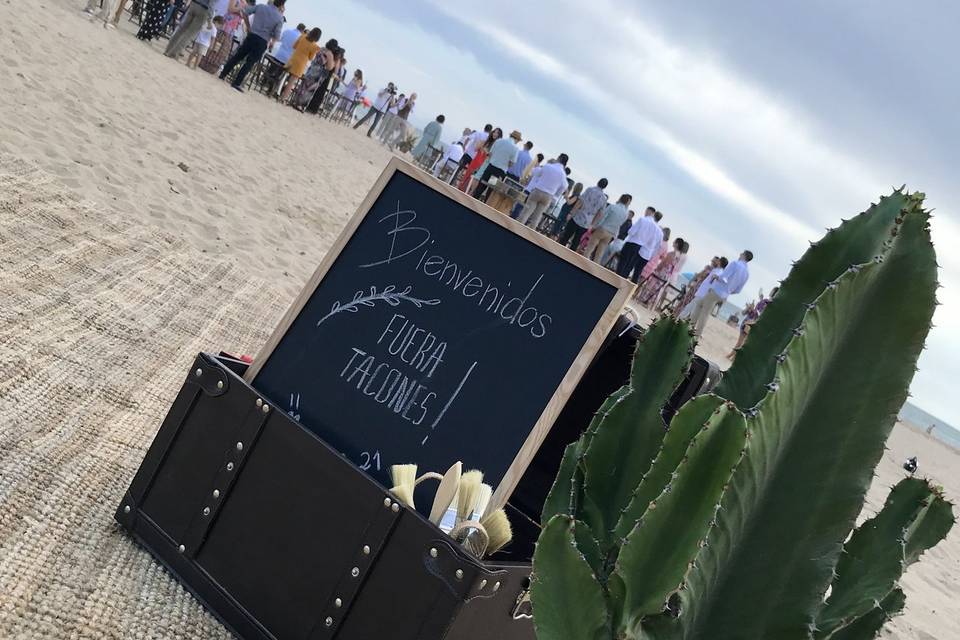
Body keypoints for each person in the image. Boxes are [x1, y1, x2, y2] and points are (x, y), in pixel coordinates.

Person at [218, 0, 285, 92]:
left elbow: (245, 12)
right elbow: (277, 36)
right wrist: (272, 42)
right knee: (249, 63)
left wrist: (248, 26)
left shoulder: (261, 6)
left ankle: (223, 74)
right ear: (282, 4)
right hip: (262, 40)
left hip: (252, 34)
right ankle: (236, 82)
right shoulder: (279, 18)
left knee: (238, 56)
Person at [685, 250, 753, 337]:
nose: (740, 254)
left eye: (741, 253)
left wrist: (716, 277)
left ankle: (694, 334)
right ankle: (690, 328)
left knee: (704, 312)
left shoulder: (735, 263)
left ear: (744, 255)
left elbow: (724, 277)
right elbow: (738, 290)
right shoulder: (747, 273)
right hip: (724, 295)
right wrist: (728, 290)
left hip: (717, 290)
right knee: (700, 305)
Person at [517, 154, 569, 229]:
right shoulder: (563, 174)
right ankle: (529, 235)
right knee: (536, 218)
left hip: (538, 190)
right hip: (549, 195)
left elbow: (537, 173)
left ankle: (516, 229)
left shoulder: (548, 166)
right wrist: (556, 194)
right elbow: (564, 186)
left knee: (526, 212)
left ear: (558, 158)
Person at [728, 286, 777, 359]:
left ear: (772, 293)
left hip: (750, 321)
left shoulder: (765, 301)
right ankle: (733, 357)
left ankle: (731, 356)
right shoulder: (771, 305)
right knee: (743, 342)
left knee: (740, 342)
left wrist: (752, 309)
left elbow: (758, 313)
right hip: (755, 324)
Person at [637, 238, 689, 307]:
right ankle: (650, 302)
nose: (673, 242)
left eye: (674, 241)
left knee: (651, 284)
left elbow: (664, 263)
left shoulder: (672, 254)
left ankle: (643, 299)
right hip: (668, 275)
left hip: (663, 272)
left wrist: (657, 268)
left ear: (677, 244)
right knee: (658, 289)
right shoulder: (679, 256)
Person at [558, 179, 608, 250]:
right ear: (604, 187)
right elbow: (600, 213)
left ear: (598, 182)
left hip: (578, 217)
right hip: (587, 223)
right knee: (576, 242)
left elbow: (580, 202)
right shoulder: (604, 198)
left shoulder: (590, 190)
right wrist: (592, 224)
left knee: (565, 237)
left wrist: (571, 213)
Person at [618, 207, 663, 283]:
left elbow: (633, 232)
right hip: (647, 253)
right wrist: (651, 255)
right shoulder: (659, 232)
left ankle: (619, 281)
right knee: (637, 273)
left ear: (653, 214)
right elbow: (657, 247)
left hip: (638, 247)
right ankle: (628, 288)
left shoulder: (646, 222)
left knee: (626, 266)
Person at [473, 130, 521, 201]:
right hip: (499, 172)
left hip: (490, 167)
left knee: (480, 188)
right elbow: (511, 163)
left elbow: (490, 154)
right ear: (517, 139)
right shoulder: (515, 148)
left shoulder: (499, 141)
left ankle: (472, 202)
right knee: (490, 191)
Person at [199, 0, 245, 74]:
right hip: (226, 26)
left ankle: (212, 67)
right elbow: (230, 9)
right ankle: (205, 63)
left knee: (223, 50)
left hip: (232, 29)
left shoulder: (244, 2)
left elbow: (244, 15)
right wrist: (240, 9)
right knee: (216, 45)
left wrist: (242, 11)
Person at [279, 27, 322, 103]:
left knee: (283, 76)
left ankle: (276, 91)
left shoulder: (302, 36)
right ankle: (283, 98)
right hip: (300, 64)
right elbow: (311, 58)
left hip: (293, 59)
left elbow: (294, 46)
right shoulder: (315, 46)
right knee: (291, 82)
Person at [583, 194, 631, 262]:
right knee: (600, 253)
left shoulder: (612, 206)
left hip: (602, 229)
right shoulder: (626, 213)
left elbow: (602, 217)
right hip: (611, 233)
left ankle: (582, 262)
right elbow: (620, 224)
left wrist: (595, 227)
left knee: (590, 248)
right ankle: (594, 267)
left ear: (620, 198)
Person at [305, 39, 342, 113]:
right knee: (320, 93)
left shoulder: (325, 51)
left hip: (317, 71)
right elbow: (334, 70)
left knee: (314, 89)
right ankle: (313, 108)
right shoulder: (335, 58)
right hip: (326, 75)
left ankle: (308, 105)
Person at [459, 128, 501, 192]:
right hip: (475, 161)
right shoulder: (485, 142)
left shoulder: (496, 146)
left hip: (484, 165)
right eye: (494, 132)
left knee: (475, 183)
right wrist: (481, 145)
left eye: (497, 133)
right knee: (466, 178)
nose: (495, 134)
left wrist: (486, 151)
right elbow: (476, 148)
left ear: (499, 136)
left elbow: (492, 157)